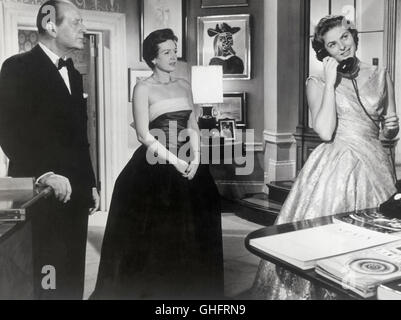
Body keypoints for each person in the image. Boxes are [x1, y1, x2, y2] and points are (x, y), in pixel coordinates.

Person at [251, 15, 399, 300]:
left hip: (377, 165)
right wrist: (331, 82)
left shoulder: (382, 75)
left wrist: (392, 129)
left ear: (354, 36)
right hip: (337, 164)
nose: (342, 46)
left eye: (345, 37)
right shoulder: (317, 82)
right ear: (325, 53)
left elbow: (389, 131)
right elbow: (325, 130)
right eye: (332, 44)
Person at [91, 28, 224, 300]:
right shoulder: (143, 88)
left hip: (191, 162)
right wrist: (176, 161)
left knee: (194, 232)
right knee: (156, 238)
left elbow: (192, 123)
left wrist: (196, 158)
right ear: (153, 58)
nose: (174, 56)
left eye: (175, 50)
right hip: (155, 165)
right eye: (167, 52)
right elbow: (143, 134)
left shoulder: (185, 85)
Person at [0, 0, 99, 299]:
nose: (84, 29)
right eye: (77, 22)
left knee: (71, 273)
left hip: (77, 192)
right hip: (40, 192)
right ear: (51, 25)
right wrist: (44, 175)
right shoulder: (17, 67)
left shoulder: (74, 72)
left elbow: (79, 138)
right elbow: (8, 131)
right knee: (46, 274)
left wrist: (90, 183)